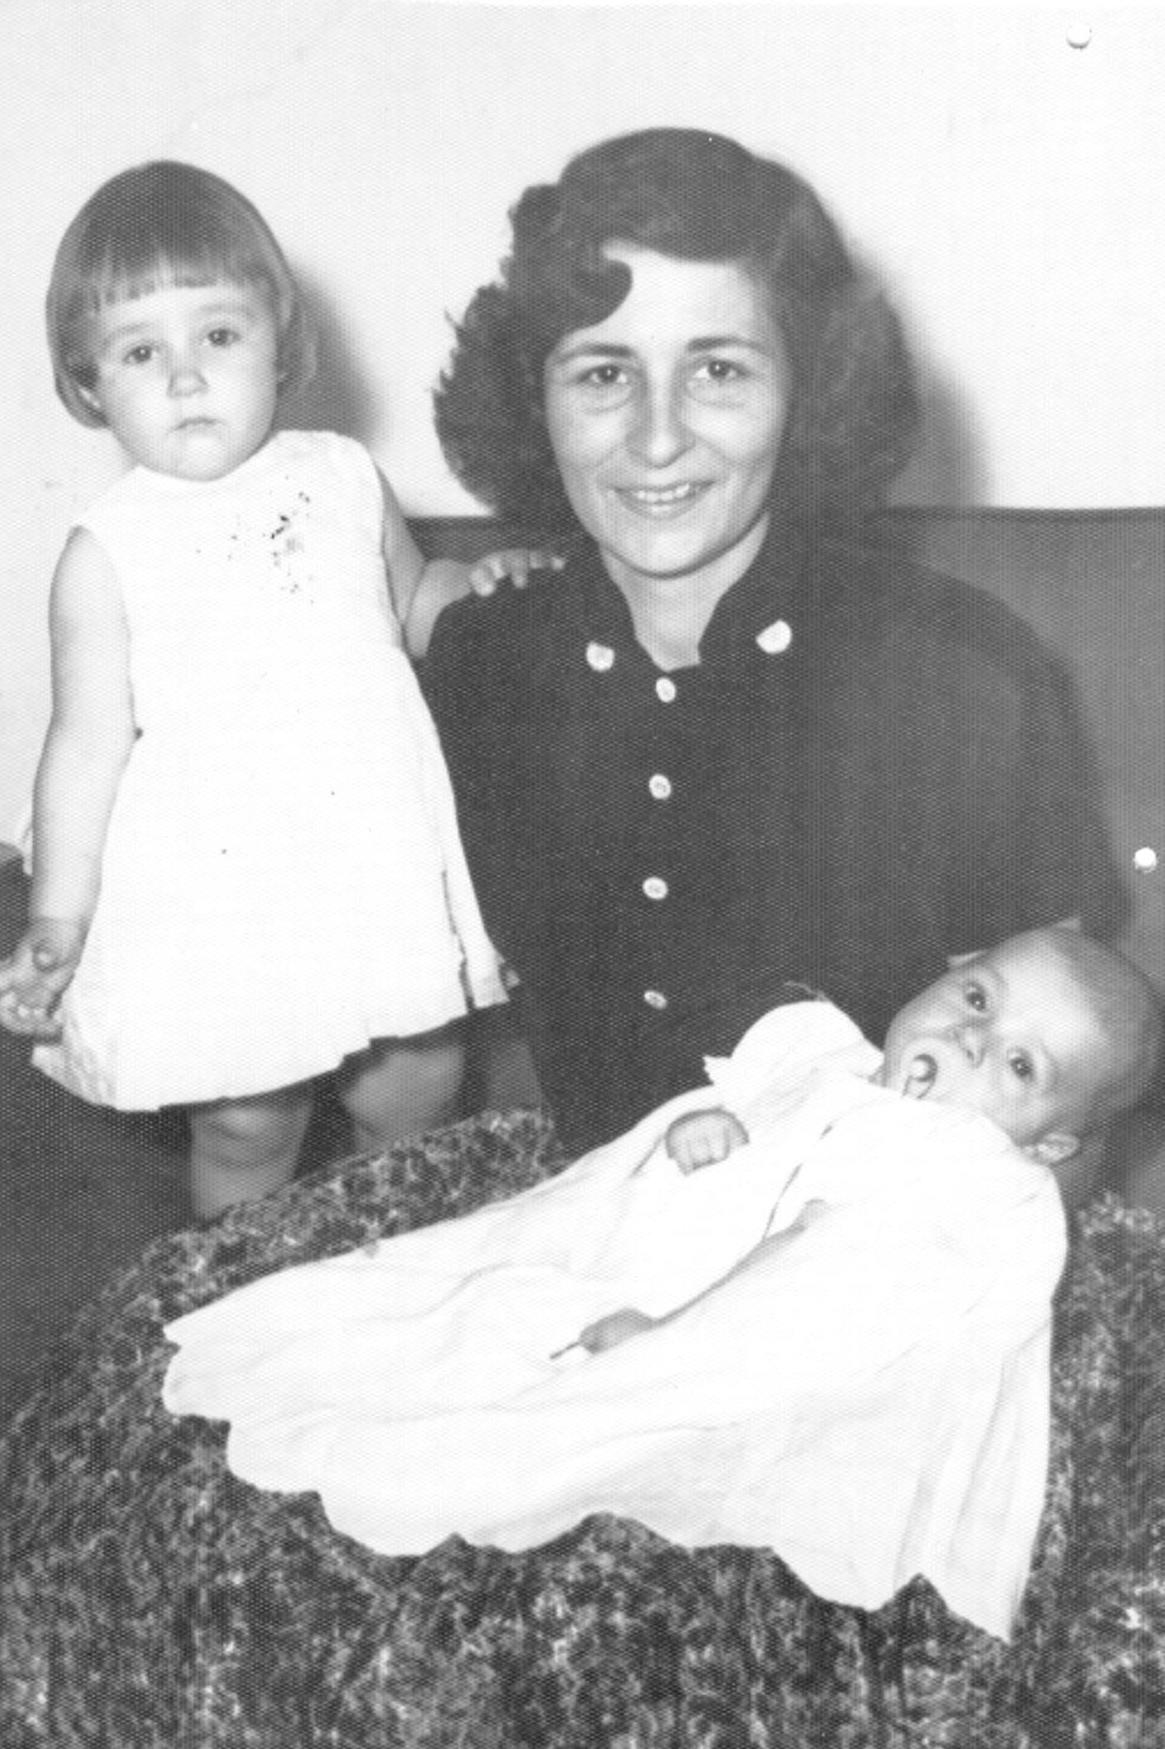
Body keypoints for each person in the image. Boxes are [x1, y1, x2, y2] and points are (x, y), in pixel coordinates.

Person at [424, 127, 1126, 1160]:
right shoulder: (478, 662)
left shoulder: (965, 673)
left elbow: (1053, 1121)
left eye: (717, 369)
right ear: (534, 399)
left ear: (810, 389)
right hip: (575, 1214)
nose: (656, 437)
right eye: (603, 373)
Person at [161, 926, 1161, 1639]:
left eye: (1019, 1066)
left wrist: (670, 1330)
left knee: (548, 1425)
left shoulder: (960, 1183)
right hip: (709, 1266)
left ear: (1049, 1143)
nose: (972, 1040)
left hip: (794, 1342)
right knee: (491, 1275)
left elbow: (808, 1291)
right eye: (978, 999)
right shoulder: (840, 1060)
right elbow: (782, 1126)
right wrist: (718, 1126)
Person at [0, 161, 542, 1219]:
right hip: (224, 893)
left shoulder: (341, 476)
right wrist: (57, 911)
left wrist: (476, 586)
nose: (185, 378)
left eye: (218, 335)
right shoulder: (109, 550)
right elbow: (85, 745)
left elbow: (411, 601)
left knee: (417, 1079)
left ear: (280, 344)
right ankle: (246, 1274)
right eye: (141, 351)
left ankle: (389, 1255)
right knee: (248, 1118)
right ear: (89, 383)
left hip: (367, 856)